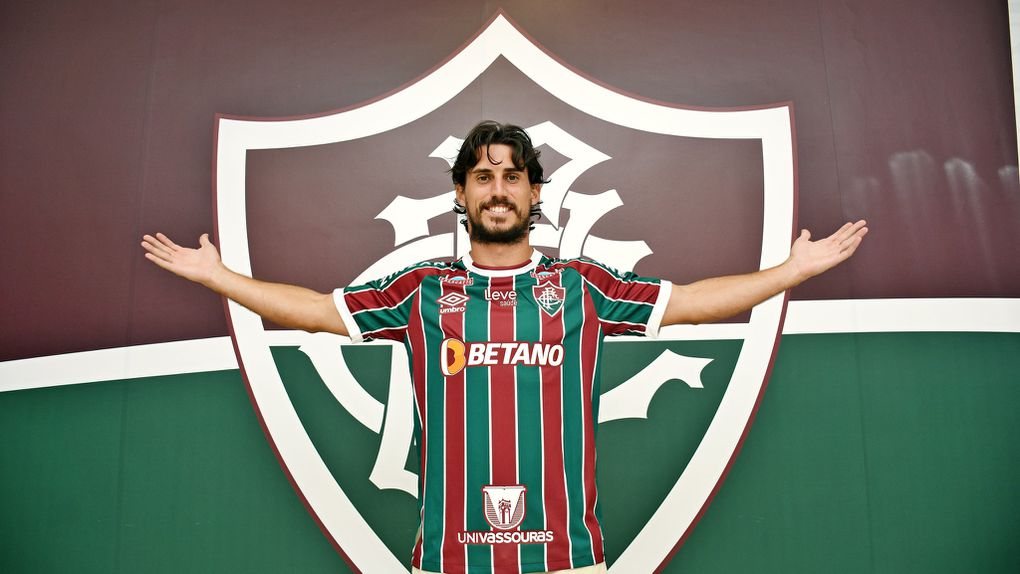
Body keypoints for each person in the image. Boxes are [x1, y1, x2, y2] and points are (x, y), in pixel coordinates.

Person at [142, 121, 867, 574]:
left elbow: (691, 303)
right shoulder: (422, 290)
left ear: (535, 194)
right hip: (449, 561)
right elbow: (315, 313)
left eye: (512, 177)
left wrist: (790, 272)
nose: (498, 190)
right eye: (483, 177)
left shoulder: (580, 286)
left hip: (569, 559)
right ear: (460, 194)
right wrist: (219, 278)